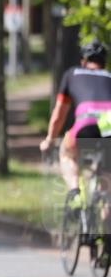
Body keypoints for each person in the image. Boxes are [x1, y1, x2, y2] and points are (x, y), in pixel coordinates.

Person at [39, 41, 111, 199]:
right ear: (104, 63)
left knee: (67, 153)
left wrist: (50, 140)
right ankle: (106, 210)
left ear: (84, 61)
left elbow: (59, 114)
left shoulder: (73, 74)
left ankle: (75, 192)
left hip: (86, 123)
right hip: (109, 126)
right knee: (107, 174)